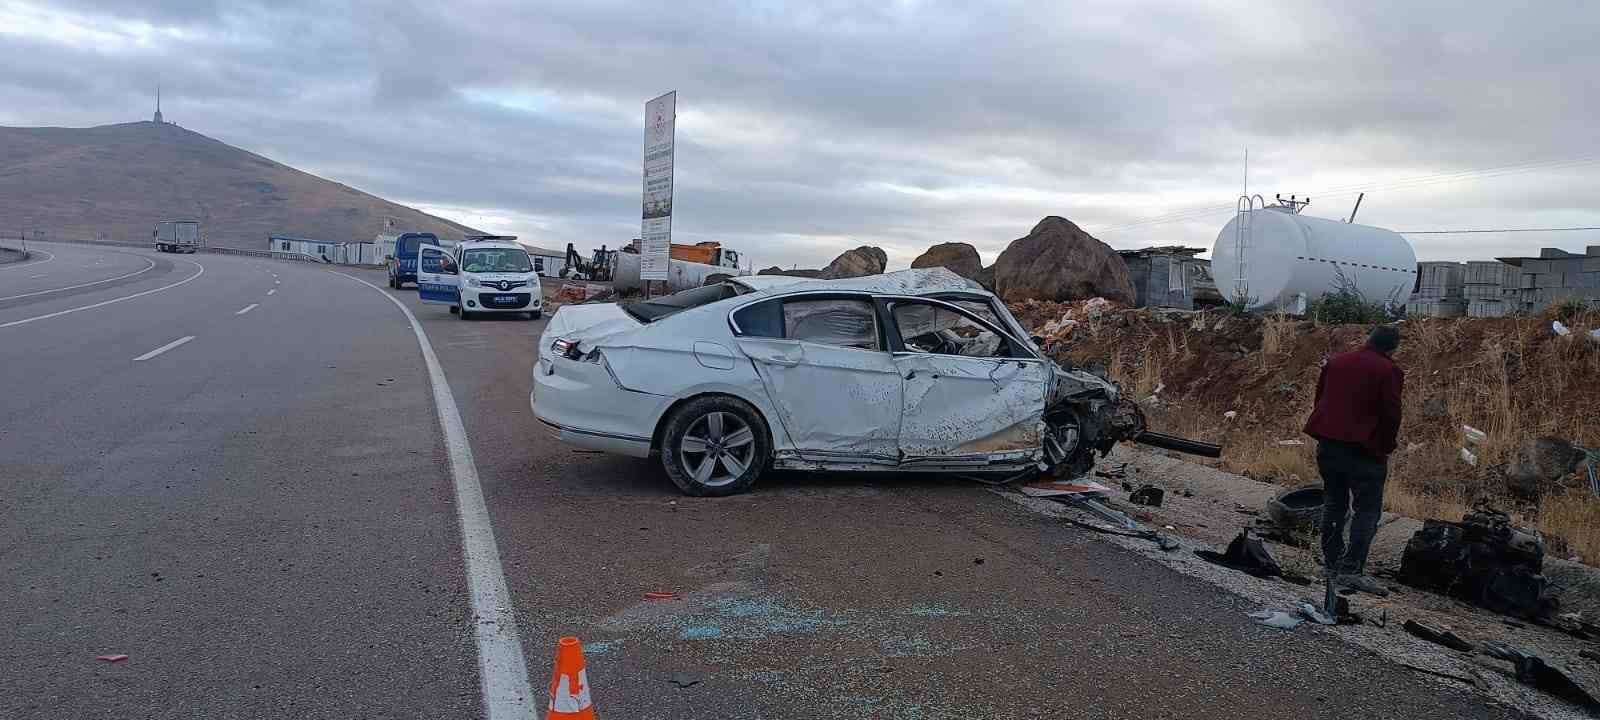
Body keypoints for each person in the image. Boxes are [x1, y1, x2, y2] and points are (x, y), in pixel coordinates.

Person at [1303, 324, 1404, 596]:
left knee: (1334, 503)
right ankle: (1351, 570)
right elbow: (1391, 414)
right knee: (1367, 510)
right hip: (1364, 450)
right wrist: (1385, 446)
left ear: (1368, 339)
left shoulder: (1337, 362)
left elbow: (1320, 399)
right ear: (1393, 348)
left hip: (1329, 445)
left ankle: (1331, 564)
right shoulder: (1388, 370)